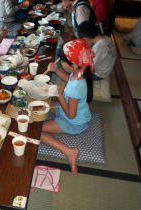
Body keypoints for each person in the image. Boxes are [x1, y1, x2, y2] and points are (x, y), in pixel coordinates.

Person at [42, 39, 94, 175]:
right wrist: (56, 70)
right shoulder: (79, 72)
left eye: (62, 61)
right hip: (73, 112)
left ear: (74, 64)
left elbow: (71, 115)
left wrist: (59, 95)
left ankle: (69, 151)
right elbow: (68, 78)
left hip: (73, 122)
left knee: (37, 131)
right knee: (44, 104)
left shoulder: (77, 86)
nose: (61, 63)